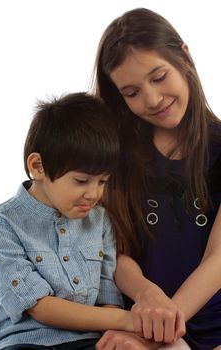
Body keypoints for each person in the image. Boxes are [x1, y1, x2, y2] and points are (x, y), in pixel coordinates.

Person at [91, 7, 221, 350]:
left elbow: (218, 258)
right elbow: (116, 252)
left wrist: (160, 330)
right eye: (132, 93)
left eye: (159, 77)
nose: (152, 99)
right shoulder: (116, 156)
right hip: (142, 323)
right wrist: (147, 296)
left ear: (185, 57)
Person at [0, 92, 138, 350]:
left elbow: (108, 296)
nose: (94, 194)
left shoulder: (100, 221)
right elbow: (41, 307)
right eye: (82, 181)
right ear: (38, 166)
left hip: (89, 341)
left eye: (102, 181)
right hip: (24, 342)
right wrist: (129, 320)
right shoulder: (1, 226)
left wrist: (119, 331)